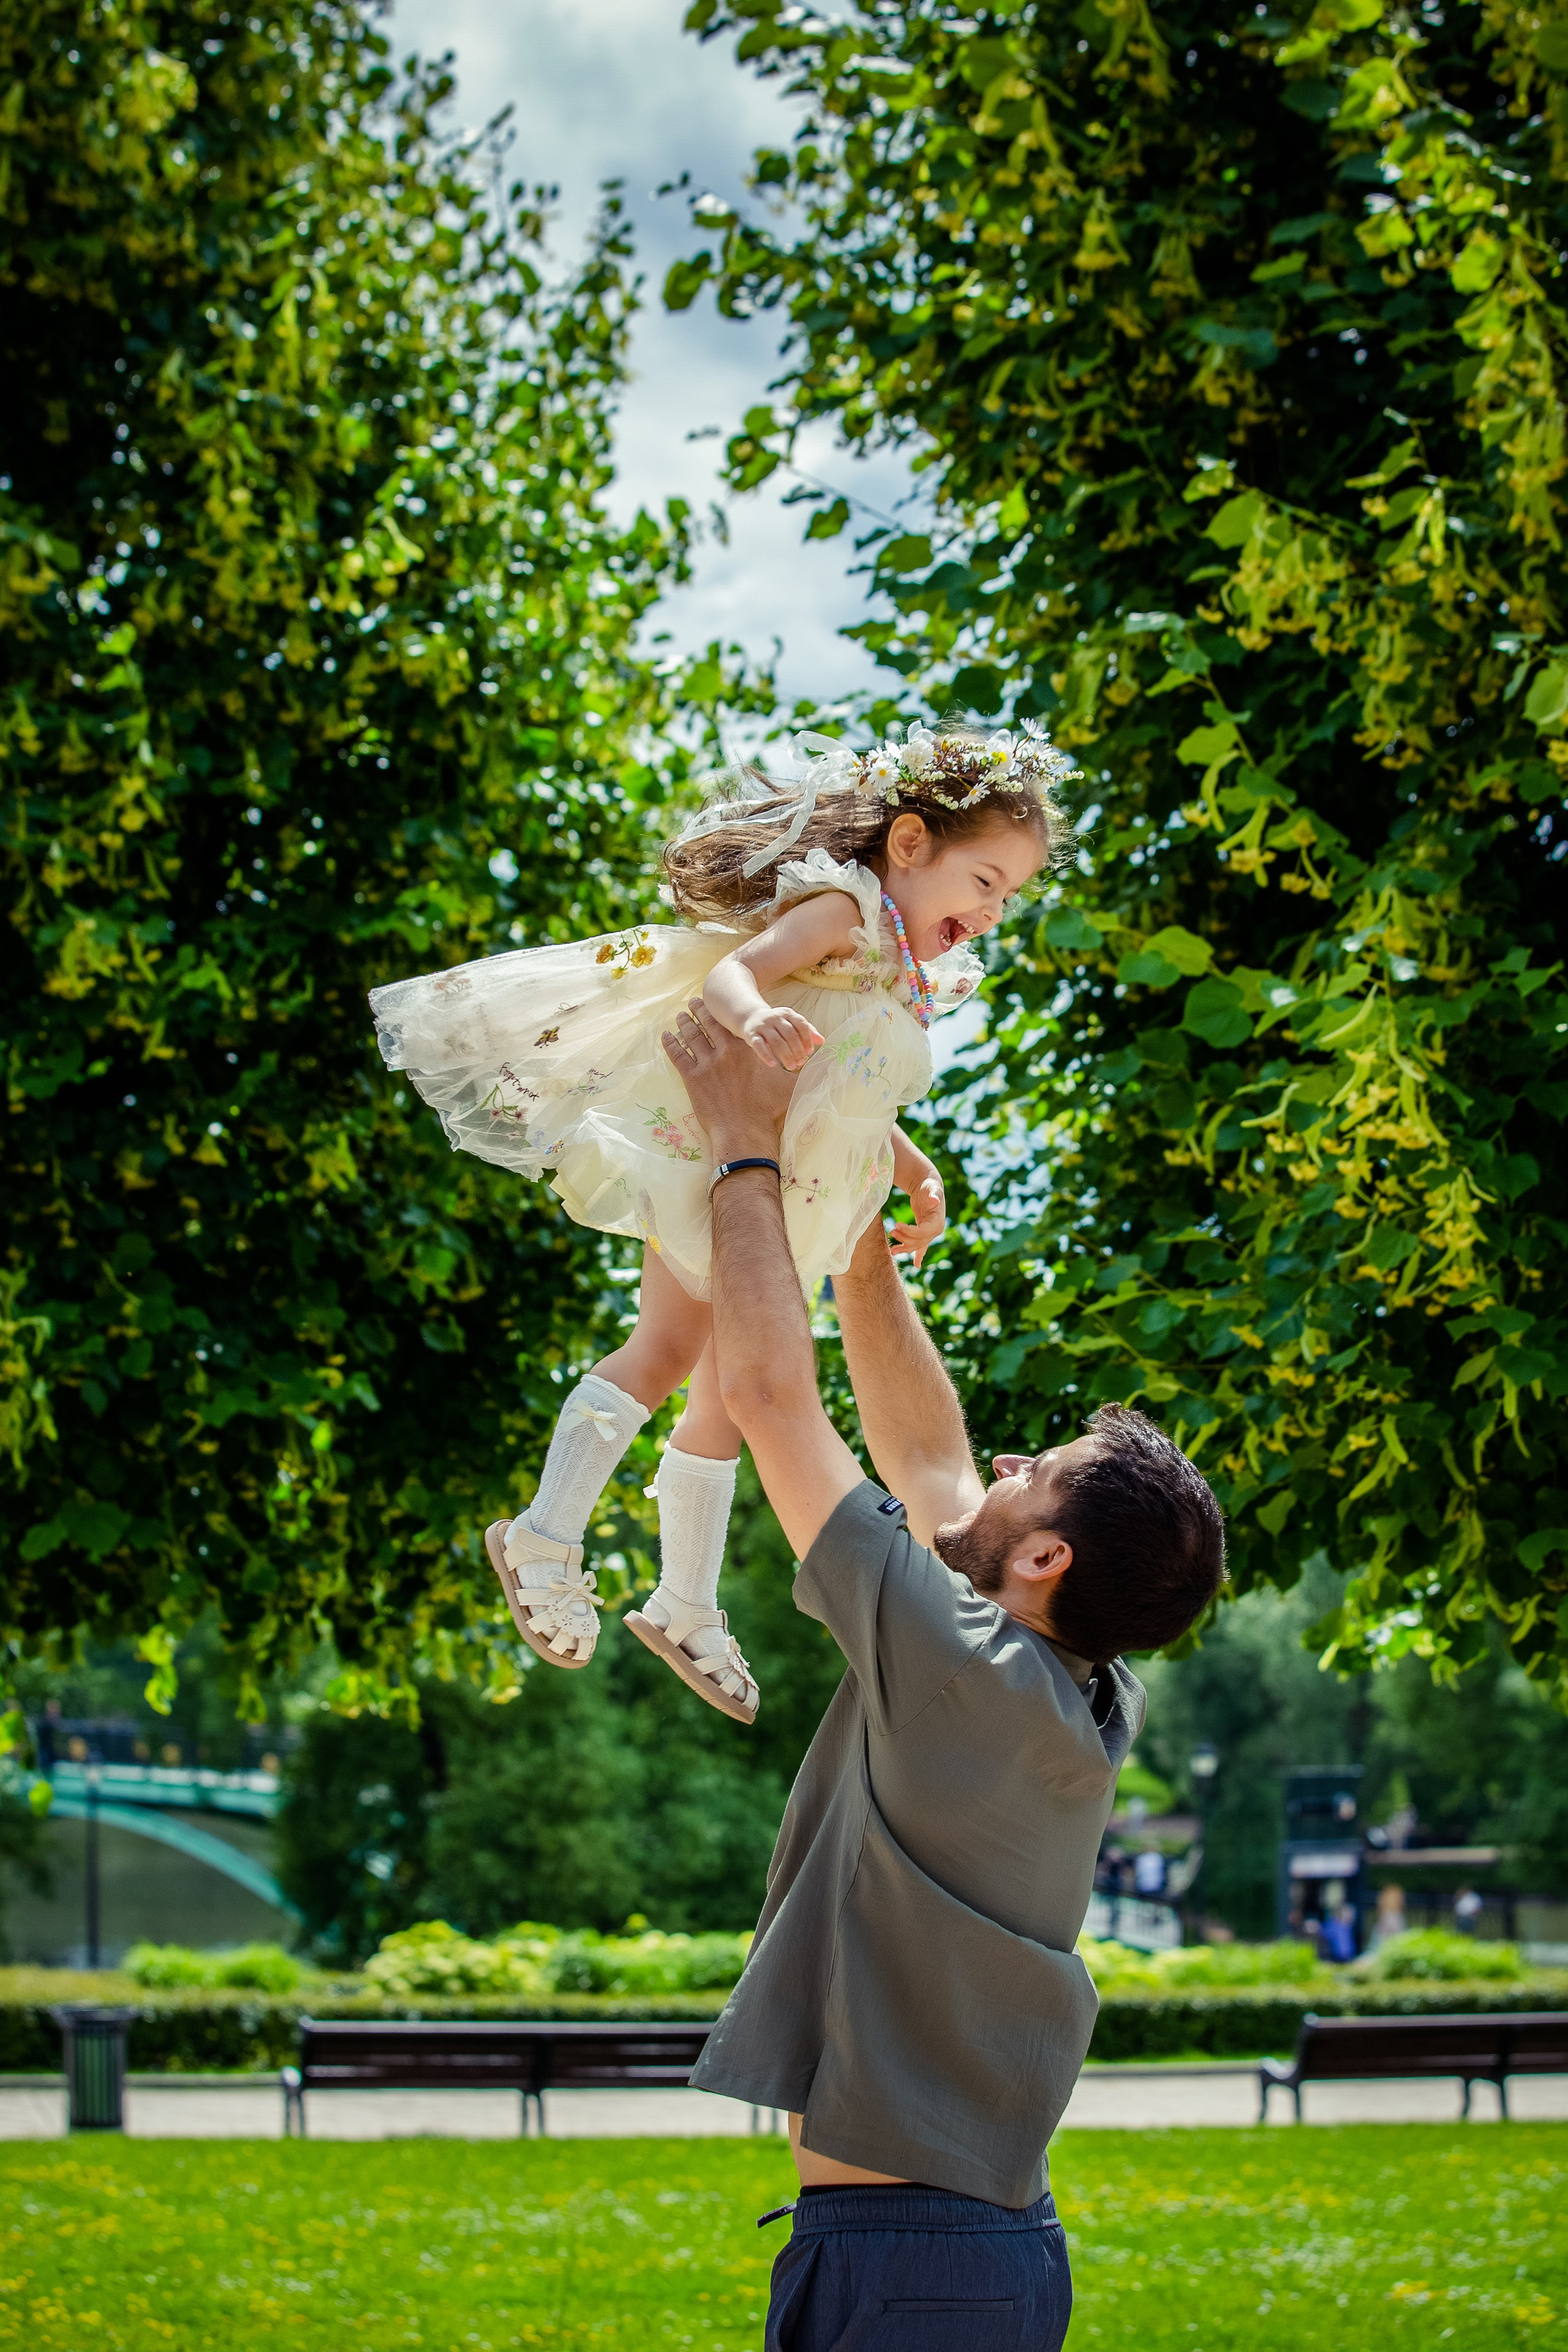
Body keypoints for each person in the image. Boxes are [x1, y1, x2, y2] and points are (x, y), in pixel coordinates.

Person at [660, 999, 1227, 2352]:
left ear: (1043, 1560)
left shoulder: (966, 1673)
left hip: (915, 2266)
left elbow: (772, 1401)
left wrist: (747, 1145)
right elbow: (930, 1467)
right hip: (952, 2252)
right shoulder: (1072, 1687)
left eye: (1039, 1473)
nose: (1007, 1463)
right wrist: (856, 1216)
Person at [369, 722, 1072, 1722]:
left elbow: (847, 1082)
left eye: (1010, 897)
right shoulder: (844, 907)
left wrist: (913, 1170)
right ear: (911, 844)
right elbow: (731, 977)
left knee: (729, 1399)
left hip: (784, 1204)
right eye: (986, 881)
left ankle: (687, 1603)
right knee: (666, 1349)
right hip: (721, 1167)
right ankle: (542, 1533)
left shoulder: (898, 972)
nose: (993, 911)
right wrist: (754, 1020)